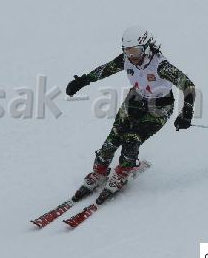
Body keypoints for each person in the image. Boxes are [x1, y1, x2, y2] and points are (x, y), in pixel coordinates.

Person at [65, 26, 195, 205]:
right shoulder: (126, 60)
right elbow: (104, 70)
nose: (131, 56)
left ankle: (122, 173)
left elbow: (188, 86)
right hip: (135, 100)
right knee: (113, 138)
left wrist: (186, 112)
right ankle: (99, 172)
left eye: (135, 51)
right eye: (127, 51)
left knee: (132, 139)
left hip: (159, 107)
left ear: (146, 47)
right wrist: (82, 81)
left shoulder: (161, 66)